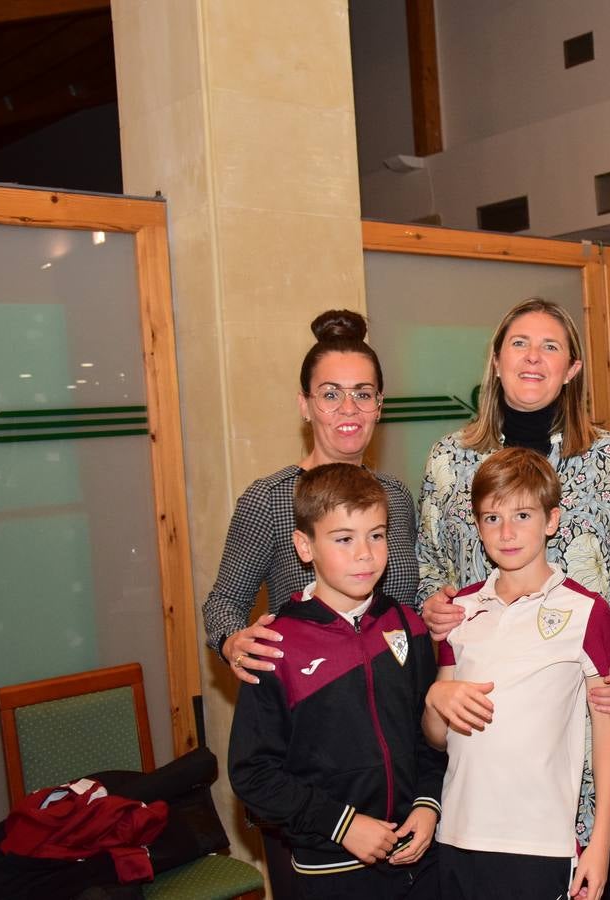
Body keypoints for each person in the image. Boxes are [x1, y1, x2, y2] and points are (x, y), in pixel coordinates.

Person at [417, 298, 610, 897]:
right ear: (496, 361)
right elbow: (429, 573)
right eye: (519, 344)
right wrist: (433, 609)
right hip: (494, 744)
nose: (533, 357)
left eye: (551, 346)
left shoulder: (609, 459)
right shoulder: (450, 461)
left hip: (597, 724)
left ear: (572, 368)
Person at [202, 309, 419, 896]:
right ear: (305, 405)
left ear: (379, 405)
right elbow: (223, 601)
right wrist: (232, 638)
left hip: (390, 752)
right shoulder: (271, 501)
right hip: (309, 767)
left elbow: (406, 604)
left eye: (362, 395)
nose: (348, 411)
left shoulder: (395, 498)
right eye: (331, 395)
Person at [228, 464, 444, 899]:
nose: (365, 553)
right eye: (344, 539)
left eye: (377, 535)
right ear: (305, 547)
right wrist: (341, 825)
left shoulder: (408, 626)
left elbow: (430, 737)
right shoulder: (275, 646)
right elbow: (253, 774)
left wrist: (428, 803)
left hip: (418, 861)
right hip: (330, 869)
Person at [424, 448, 610, 900]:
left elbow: (608, 732)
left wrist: (600, 845)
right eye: (492, 518)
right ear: (477, 526)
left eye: (523, 515)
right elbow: (437, 737)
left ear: (551, 520)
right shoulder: (459, 611)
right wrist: (436, 698)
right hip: (458, 834)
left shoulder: (585, 611)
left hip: (537, 842)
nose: (507, 532)